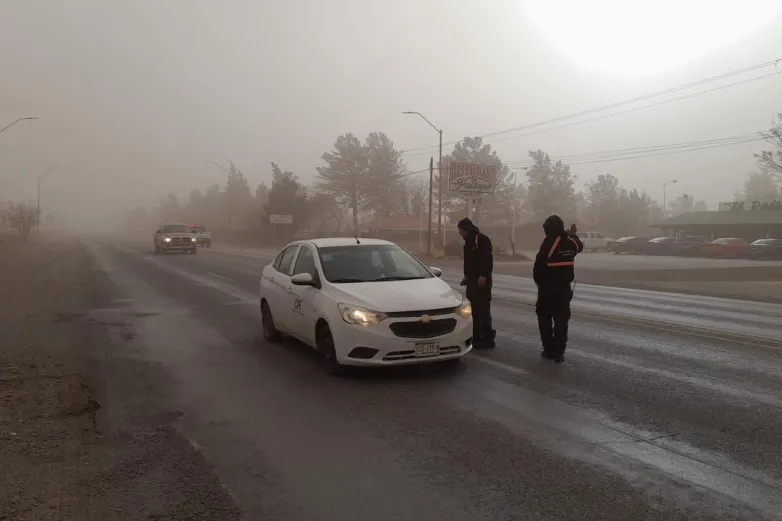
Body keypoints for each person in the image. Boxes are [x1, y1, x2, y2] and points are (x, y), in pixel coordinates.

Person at [533, 215, 583, 363]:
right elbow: (579, 247)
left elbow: (538, 267)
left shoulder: (549, 243)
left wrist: (540, 284)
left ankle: (549, 350)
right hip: (564, 289)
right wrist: (573, 234)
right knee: (561, 321)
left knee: (544, 319)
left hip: (548, 289)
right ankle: (559, 353)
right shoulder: (570, 242)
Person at [457, 217, 496, 349]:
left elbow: (487, 260)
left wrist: (484, 275)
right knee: (472, 310)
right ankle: (476, 336)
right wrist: (466, 276)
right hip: (472, 281)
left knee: (483, 309)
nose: (460, 233)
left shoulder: (482, 240)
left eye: (461, 230)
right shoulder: (467, 243)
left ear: (467, 230)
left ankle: (488, 338)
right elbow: (468, 262)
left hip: (482, 281)